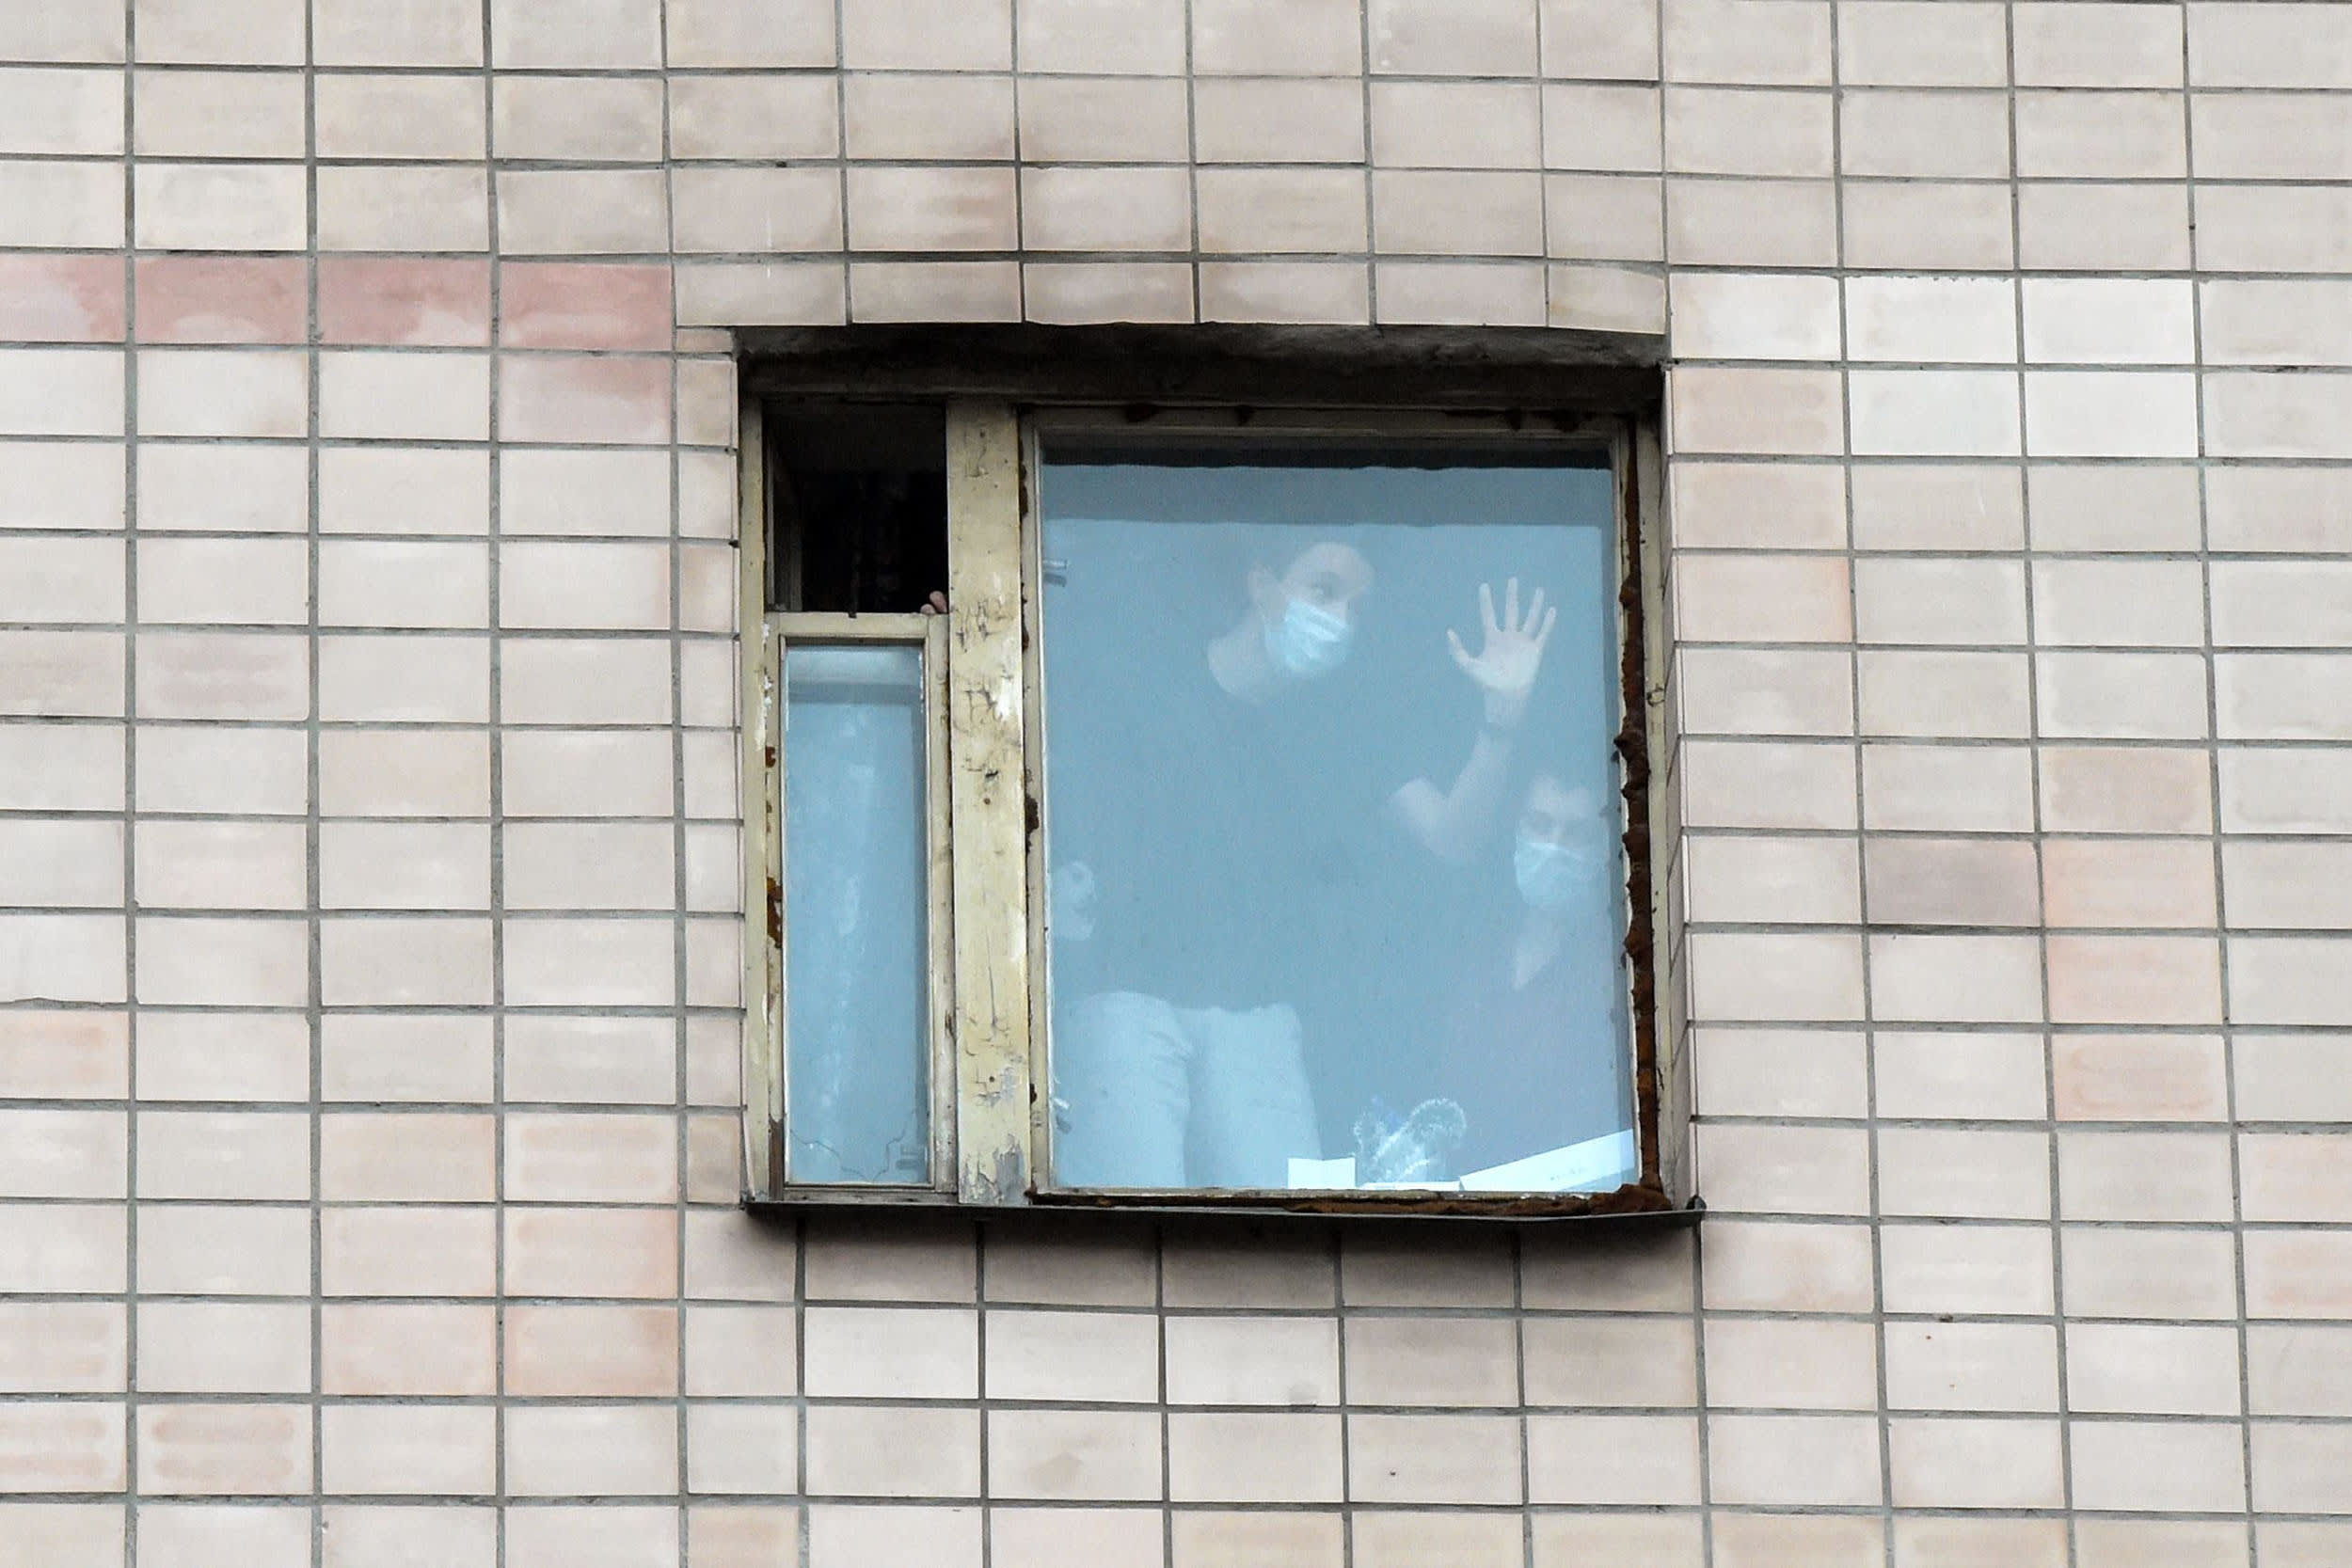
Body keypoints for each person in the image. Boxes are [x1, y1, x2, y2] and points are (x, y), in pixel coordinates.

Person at [1045, 534, 1561, 1190]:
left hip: (1255, 1014)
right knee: (1124, 1232)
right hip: (1125, 998)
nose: (1341, 618)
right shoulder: (1144, 677)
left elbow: (1452, 837)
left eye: (1357, 606)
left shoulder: (1337, 724)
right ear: (1262, 585)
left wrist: (1502, 717)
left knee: (1290, 1250)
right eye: (1324, 590)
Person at [1425, 769, 1632, 1177]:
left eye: (1575, 834)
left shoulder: (1615, 967)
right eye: (1539, 825)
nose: (1553, 847)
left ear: (1604, 850)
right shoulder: (1478, 953)